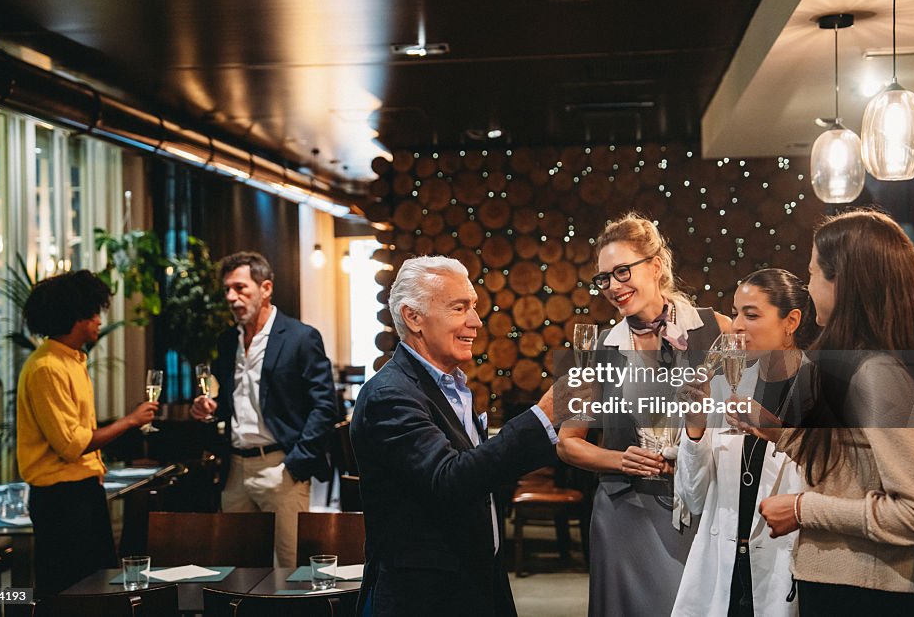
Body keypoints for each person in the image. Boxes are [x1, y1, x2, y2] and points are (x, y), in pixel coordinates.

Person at [746, 210, 914, 616]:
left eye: (813, 274)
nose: (808, 287)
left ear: (841, 281)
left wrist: (801, 509)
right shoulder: (856, 364)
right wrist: (777, 431)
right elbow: (855, 464)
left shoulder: (877, 373)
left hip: (864, 595)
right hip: (844, 589)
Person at [350, 256, 581, 617]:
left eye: (473, 308)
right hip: (424, 598)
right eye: (460, 308)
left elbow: (479, 476)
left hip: (473, 583)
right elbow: (450, 478)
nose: (475, 322)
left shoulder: (451, 385)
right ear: (413, 317)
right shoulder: (389, 395)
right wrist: (542, 416)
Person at [557, 212, 731, 616]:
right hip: (625, 517)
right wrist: (621, 459)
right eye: (604, 278)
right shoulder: (599, 347)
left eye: (622, 272)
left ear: (655, 265)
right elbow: (568, 443)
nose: (613, 287)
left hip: (701, 508)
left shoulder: (714, 328)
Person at [673, 269, 819, 617]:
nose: (736, 326)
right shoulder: (723, 387)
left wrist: (776, 429)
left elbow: (829, 483)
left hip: (784, 575)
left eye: (751, 315)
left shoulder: (822, 390)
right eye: (735, 312)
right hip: (722, 574)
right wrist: (694, 429)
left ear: (791, 321)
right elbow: (692, 499)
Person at [191, 251, 337, 566]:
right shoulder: (228, 341)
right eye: (227, 289)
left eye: (240, 288)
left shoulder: (301, 338)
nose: (231, 297)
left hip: (280, 466)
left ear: (266, 288)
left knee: (288, 568)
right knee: (235, 565)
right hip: (235, 470)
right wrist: (211, 408)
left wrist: (295, 465)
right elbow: (232, 400)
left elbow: (325, 406)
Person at [17, 270, 158, 595]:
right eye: (94, 312)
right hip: (60, 498)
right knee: (70, 592)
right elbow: (71, 444)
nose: (98, 320)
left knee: (96, 588)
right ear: (75, 317)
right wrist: (130, 420)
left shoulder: (72, 361)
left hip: (82, 491)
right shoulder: (47, 368)